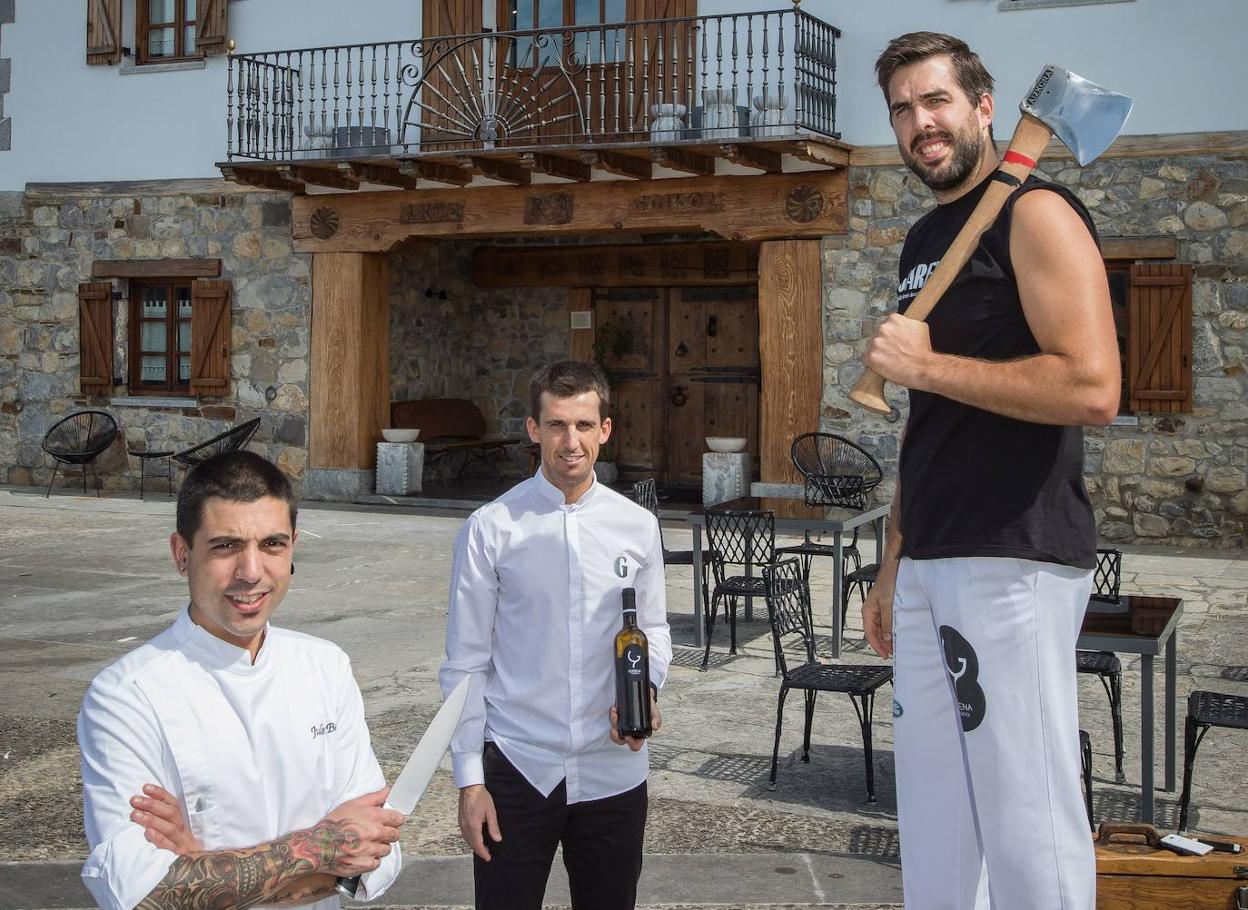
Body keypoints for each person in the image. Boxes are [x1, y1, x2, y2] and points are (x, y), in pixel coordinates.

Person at [859, 32, 1120, 910]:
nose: (919, 123)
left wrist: (925, 366)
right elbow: (926, 423)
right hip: (934, 556)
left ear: (982, 107)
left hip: (1011, 555)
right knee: (936, 826)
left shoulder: (1037, 212)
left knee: (1026, 816)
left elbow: (1093, 386)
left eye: (934, 100)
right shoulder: (926, 238)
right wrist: (895, 559)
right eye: (901, 108)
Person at [77, 451, 403, 910]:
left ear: (293, 545)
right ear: (181, 553)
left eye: (272, 544)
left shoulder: (325, 666)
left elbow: (379, 852)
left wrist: (205, 869)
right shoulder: (126, 696)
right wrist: (321, 848)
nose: (251, 572)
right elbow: (143, 892)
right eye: (226, 546)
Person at [439, 360, 672, 910]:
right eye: (558, 425)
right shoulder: (490, 528)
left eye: (585, 426)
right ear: (533, 429)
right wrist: (470, 782)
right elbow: (465, 662)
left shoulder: (637, 526)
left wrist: (647, 690)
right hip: (517, 770)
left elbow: (654, 628)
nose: (572, 441)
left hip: (613, 770)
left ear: (605, 430)